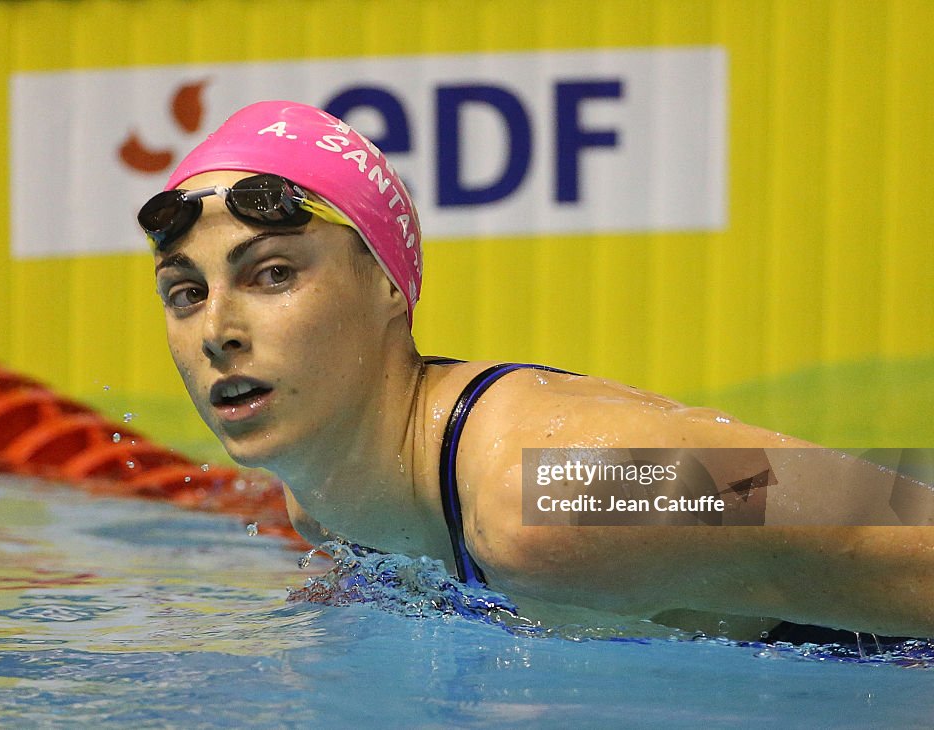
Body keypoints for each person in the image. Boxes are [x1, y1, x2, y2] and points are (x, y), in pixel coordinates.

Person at [139, 100, 934, 642]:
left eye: (272, 274)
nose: (217, 331)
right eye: (185, 292)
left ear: (388, 283)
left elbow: (893, 508)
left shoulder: (554, 491)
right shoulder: (323, 503)